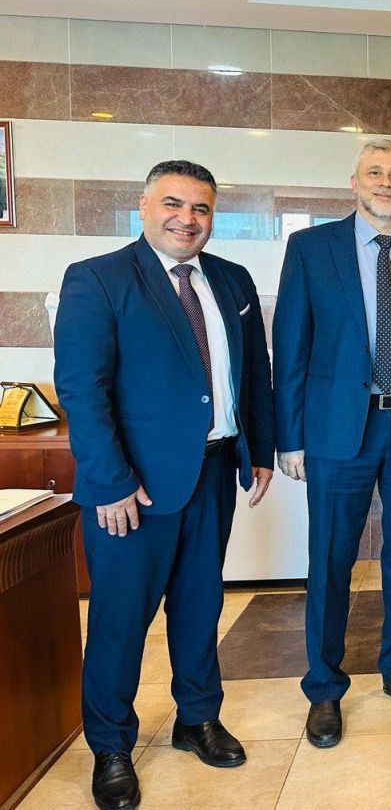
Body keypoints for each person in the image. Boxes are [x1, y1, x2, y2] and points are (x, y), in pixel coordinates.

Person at [54, 160, 275, 810]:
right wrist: (110, 482)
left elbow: (252, 375)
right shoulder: (98, 278)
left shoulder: (231, 279)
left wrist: (259, 450)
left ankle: (197, 718)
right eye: (173, 203)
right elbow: (82, 390)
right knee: (120, 622)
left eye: (201, 208)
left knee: (201, 606)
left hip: (215, 472)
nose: (187, 218)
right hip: (133, 491)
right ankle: (111, 747)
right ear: (145, 205)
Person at [272, 138, 391, 748]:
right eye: (374, 173)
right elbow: (290, 347)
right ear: (353, 183)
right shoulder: (311, 248)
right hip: (335, 429)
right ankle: (324, 687)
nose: (385, 183)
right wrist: (290, 437)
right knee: (331, 557)